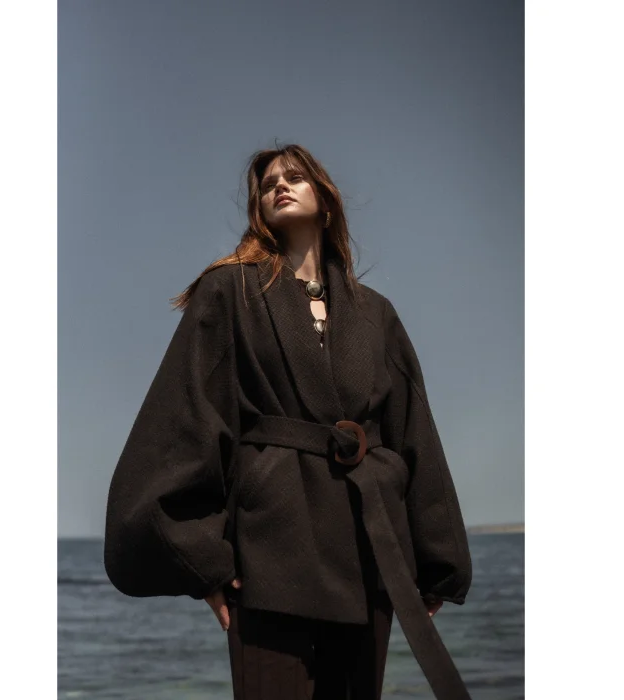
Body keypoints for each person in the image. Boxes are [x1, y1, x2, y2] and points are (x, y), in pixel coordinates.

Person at [103, 144, 473, 699]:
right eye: (268, 183)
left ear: (326, 200)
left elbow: (413, 429)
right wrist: (203, 560)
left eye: (295, 176)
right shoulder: (230, 290)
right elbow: (186, 415)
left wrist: (435, 559)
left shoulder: (376, 312)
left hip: (368, 547)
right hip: (271, 547)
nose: (279, 185)